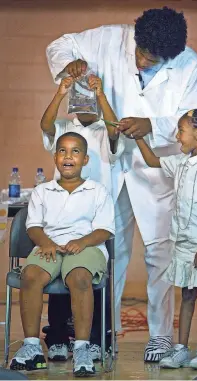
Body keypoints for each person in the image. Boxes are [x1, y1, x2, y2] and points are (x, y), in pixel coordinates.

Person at [46, 7, 197, 361]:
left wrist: (153, 124)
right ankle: (103, 333)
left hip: (156, 171)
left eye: (152, 61)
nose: (142, 63)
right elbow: (61, 45)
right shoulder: (108, 37)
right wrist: (69, 65)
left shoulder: (190, 65)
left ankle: (160, 336)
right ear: (134, 38)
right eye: (140, 54)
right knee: (106, 250)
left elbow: (195, 119)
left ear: (171, 55)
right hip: (109, 163)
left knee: (160, 254)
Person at [135, 100, 197, 370]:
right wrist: (139, 138)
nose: (177, 136)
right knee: (187, 294)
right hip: (182, 243)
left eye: (181, 130)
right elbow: (152, 160)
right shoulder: (180, 162)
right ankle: (180, 349)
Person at [10, 132, 115, 377]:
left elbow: (104, 230)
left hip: (86, 247)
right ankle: (32, 348)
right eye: (63, 151)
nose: (69, 156)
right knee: (31, 276)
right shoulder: (42, 191)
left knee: (79, 277)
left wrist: (82, 242)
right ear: (56, 157)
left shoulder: (97, 191)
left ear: (86, 159)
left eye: (75, 151)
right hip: (50, 246)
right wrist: (45, 243)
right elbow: (33, 226)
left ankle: (81, 349)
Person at [40, 75, 121, 361]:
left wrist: (101, 95)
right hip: (63, 215)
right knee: (59, 272)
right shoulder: (65, 127)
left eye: (90, 94)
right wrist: (60, 92)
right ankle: (59, 336)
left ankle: (98, 340)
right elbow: (46, 125)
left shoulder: (104, 127)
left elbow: (114, 131)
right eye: (80, 94)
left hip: (96, 216)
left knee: (92, 277)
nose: (84, 99)